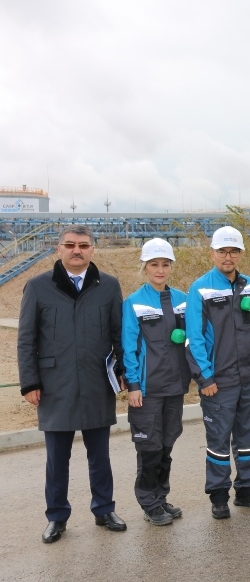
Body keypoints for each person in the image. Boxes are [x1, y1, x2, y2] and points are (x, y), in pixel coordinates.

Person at [18, 225, 128, 543]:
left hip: (96, 382)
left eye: (82, 245)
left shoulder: (109, 286)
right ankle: (56, 517)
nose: (76, 250)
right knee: (57, 458)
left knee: (100, 455)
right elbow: (26, 339)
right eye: (69, 245)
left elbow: (118, 333)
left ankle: (104, 510)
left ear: (92, 249)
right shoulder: (38, 287)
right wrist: (30, 382)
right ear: (59, 249)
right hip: (55, 385)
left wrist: (124, 373)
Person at [185, 226, 250, 519]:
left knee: (248, 438)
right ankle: (219, 496)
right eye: (222, 251)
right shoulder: (201, 288)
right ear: (212, 254)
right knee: (219, 441)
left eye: (233, 251)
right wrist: (204, 377)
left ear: (241, 254)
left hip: (249, 376)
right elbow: (193, 338)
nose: (228, 257)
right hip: (218, 381)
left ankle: (246, 489)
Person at [122, 238, 191, 526]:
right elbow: (128, 347)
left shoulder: (183, 299)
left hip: (175, 386)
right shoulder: (134, 302)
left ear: (171, 267)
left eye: (165, 264)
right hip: (147, 390)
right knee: (149, 448)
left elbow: (193, 337)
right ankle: (149, 503)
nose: (160, 270)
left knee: (166, 445)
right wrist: (133, 385)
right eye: (154, 264)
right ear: (145, 267)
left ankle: (161, 498)